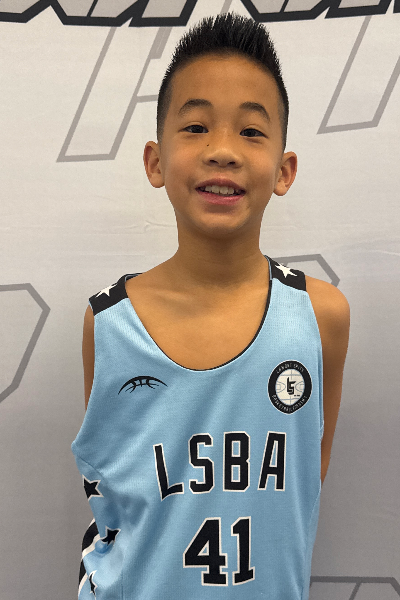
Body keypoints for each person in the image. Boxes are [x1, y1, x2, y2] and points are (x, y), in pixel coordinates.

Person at [72, 11, 350, 600]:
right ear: (155, 160)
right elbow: (114, 492)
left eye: (251, 131)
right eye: (196, 126)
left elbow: (306, 478)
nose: (222, 150)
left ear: (284, 170)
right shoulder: (110, 324)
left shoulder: (321, 317)